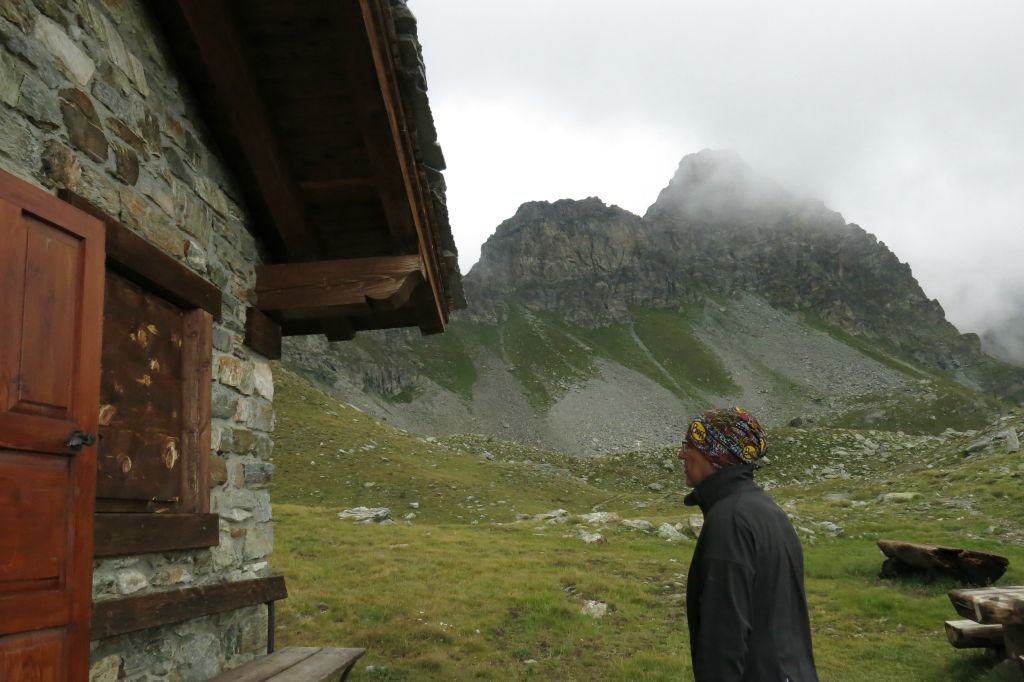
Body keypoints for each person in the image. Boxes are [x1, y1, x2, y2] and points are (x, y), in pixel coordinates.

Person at [678, 407, 818, 681]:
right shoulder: (767, 510)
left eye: (689, 445)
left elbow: (723, 641)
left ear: (714, 454)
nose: (681, 453)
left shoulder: (729, 522)